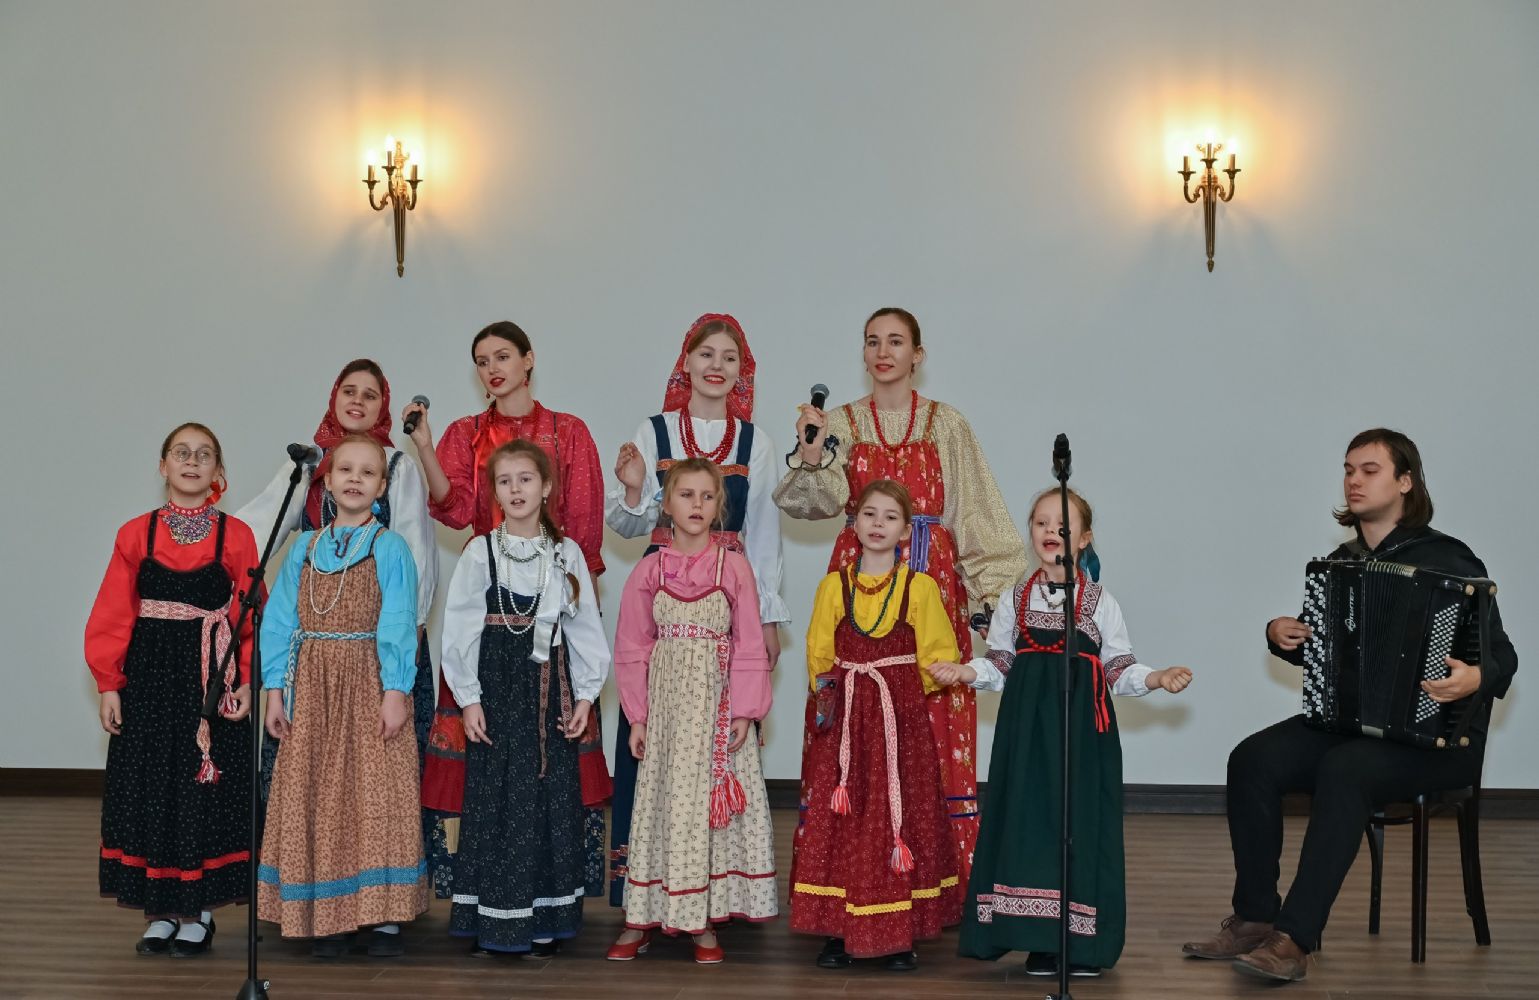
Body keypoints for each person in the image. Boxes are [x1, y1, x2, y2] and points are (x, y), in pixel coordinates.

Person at [1182, 428, 1518, 983]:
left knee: (1345, 769)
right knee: (1252, 759)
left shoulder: (1451, 560)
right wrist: (1281, 636)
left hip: (1437, 740)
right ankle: (1255, 918)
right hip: (1355, 729)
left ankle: (1295, 938)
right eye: (1348, 470)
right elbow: (1325, 650)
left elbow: (1503, 656)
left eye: (1369, 470)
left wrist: (1475, 677)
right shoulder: (1344, 562)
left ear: (1405, 482)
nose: (1353, 480)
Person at [776, 306, 1026, 878]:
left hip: (929, 585)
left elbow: (977, 514)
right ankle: (849, 869)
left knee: (930, 713)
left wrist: (990, 603)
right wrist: (811, 457)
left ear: (918, 354)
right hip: (858, 585)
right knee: (854, 711)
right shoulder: (838, 423)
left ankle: (936, 873)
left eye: (895, 341)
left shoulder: (947, 425)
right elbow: (811, 505)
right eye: (872, 341)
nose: (883, 352)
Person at [935, 487, 1192, 977]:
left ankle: (1082, 943)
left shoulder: (1100, 601)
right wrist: (966, 671)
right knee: (1028, 824)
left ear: (1085, 538)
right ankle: (1035, 938)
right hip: (1026, 736)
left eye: (1062, 524)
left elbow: (1118, 668)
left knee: (1080, 826)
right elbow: (1000, 662)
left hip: (1082, 737)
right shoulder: (1015, 597)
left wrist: (1157, 678)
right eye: (1041, 523)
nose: (1051, 531)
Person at [404, 320, 610, 899]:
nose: (491, 369)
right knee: (491, 759)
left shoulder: (568, 430)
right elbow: (454, 508)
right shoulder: (466, 434)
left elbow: (584, 525)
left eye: (501, 356)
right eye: (481, 360)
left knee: (555, 759)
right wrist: (425, 447)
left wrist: (577, 602)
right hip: (490, 611)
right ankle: (487, 887)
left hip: (554, 604)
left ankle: (555, 887)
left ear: (528, 359)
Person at [604, 312, 788, 906]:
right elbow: (628, 526)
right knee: (653, 737)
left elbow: (763, 535)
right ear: (685, 362)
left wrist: (767, 617)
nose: (716, 366)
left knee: (725, 736)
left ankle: (718, 887)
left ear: (742, 371)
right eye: (706, 354)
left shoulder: (755, 442)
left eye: (729, 358)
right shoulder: (654, 431)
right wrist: (636, 488)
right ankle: (650, 886)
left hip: (727, 603)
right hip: (664, 602)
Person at [86, 422, 259, 956]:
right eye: (181, 452)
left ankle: (197, 913)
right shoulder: (135, 533)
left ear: (218, 471)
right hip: (150, 681)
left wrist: (248, 681)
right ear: (163, 465)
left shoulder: (238, 536)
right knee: (152, 787)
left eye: (204, 454)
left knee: (199, 791)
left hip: (209, 681)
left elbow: (251, 615)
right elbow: (114, 612)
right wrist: (109, 684)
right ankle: (161, 911)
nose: (191, 461)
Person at [256, 435, 427, 957]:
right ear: (326, 481)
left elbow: (399, 622)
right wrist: (274, 690)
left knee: (374, 793)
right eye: (345, 469)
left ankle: (381, 913)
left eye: (368, 472)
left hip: (369, 680)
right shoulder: (304, 547)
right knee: (316, 793)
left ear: (382, 486)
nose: (355, 479)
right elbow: (279, 622)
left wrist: (395, 690)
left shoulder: (390, 547)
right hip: (310, 686)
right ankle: (323, 912)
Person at [236, 358, 437, 796]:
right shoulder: (309, 464)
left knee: (373, 769)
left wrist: (412, 637)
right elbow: (252, 530)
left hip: (377, 644)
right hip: (313, 654)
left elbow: (416, 553)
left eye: (370, 395)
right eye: (349, 391)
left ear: (383, 405)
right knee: (310, 769)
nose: (358, 401)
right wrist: (201, 543)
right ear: (334, 397)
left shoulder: (396, 466)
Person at [441, 440, 610, 956]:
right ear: (495, 493)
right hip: (495, 690)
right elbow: (459, 629)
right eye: (505, 481)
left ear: (546, 487)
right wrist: (469, 699)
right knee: (495, 798)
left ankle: (544, 915)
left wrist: (585, 697)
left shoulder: (565, 553)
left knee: (546, 798)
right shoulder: (481, 552)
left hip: (548, 693)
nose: (515, 489)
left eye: (526, 479)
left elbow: (584, 628)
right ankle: (495, 917)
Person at [606, 459, 777, 964]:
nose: (697, 505)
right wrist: (638, 716)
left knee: (705, 811)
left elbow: (749, 643)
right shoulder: (649, 570)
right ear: (667, 503)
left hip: (717, 711)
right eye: (686, 495)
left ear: (719, 506)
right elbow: (631, 647)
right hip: (666, 716)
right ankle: (642, 916)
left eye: (707, 496)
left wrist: (746, 710)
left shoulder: (734, 567)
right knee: (662, 805)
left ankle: (702, 920)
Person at [790, 479, 965, 972]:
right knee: (842, 817)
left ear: (906, 530)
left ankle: (899, 931)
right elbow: (819, 655)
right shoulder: (834, 586)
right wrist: (837, 702)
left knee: (898, 816)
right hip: (846, 723)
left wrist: (901, 694)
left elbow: (938, 657)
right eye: (869, 514)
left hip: (897, 723)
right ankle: (838, 928)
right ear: (855, 524)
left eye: (890, 517)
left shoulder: (919, 588)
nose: (878, 524)